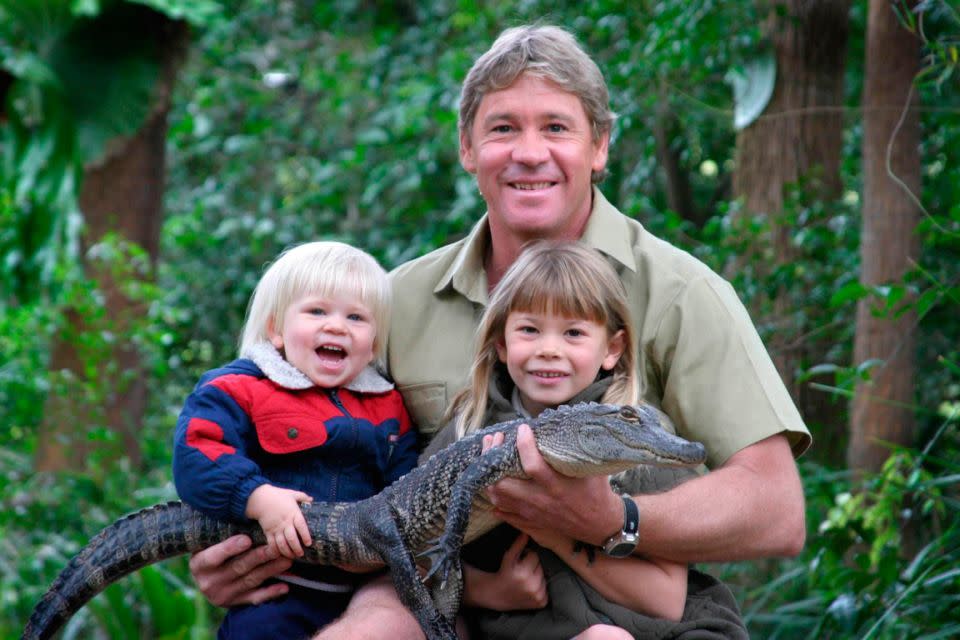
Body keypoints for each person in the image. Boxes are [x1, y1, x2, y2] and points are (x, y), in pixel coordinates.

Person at [187, 24, 811, 640]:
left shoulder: (681, 292)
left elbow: (776, 510)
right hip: (440, 584)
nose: (529, 152)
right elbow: (295, 435)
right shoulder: (393, 299)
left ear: (600, 146)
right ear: (467, 148)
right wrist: (240, 542)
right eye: (503, 128)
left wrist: (610, 518)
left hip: (612, 598)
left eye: (557, 128)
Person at [420, 240, 706, 638]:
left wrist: (553, 528)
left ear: (613, 348)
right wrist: (488, 591)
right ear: (501, 343)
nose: (549, 349)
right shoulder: (470, 427)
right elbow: (412, 547)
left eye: (573, 332)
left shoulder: (641, 436)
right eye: (529, 330)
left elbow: (667, 600)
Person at [172, 241, 418, 639]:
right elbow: (198, 453)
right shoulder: (240, 388)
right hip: (275, 593)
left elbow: (407, 481)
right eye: (317, 311)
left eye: (356, 317)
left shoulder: (388, 404)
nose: (336, 326)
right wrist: (258, 496)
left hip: (363, 595)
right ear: (276, 329)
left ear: (373, 343)